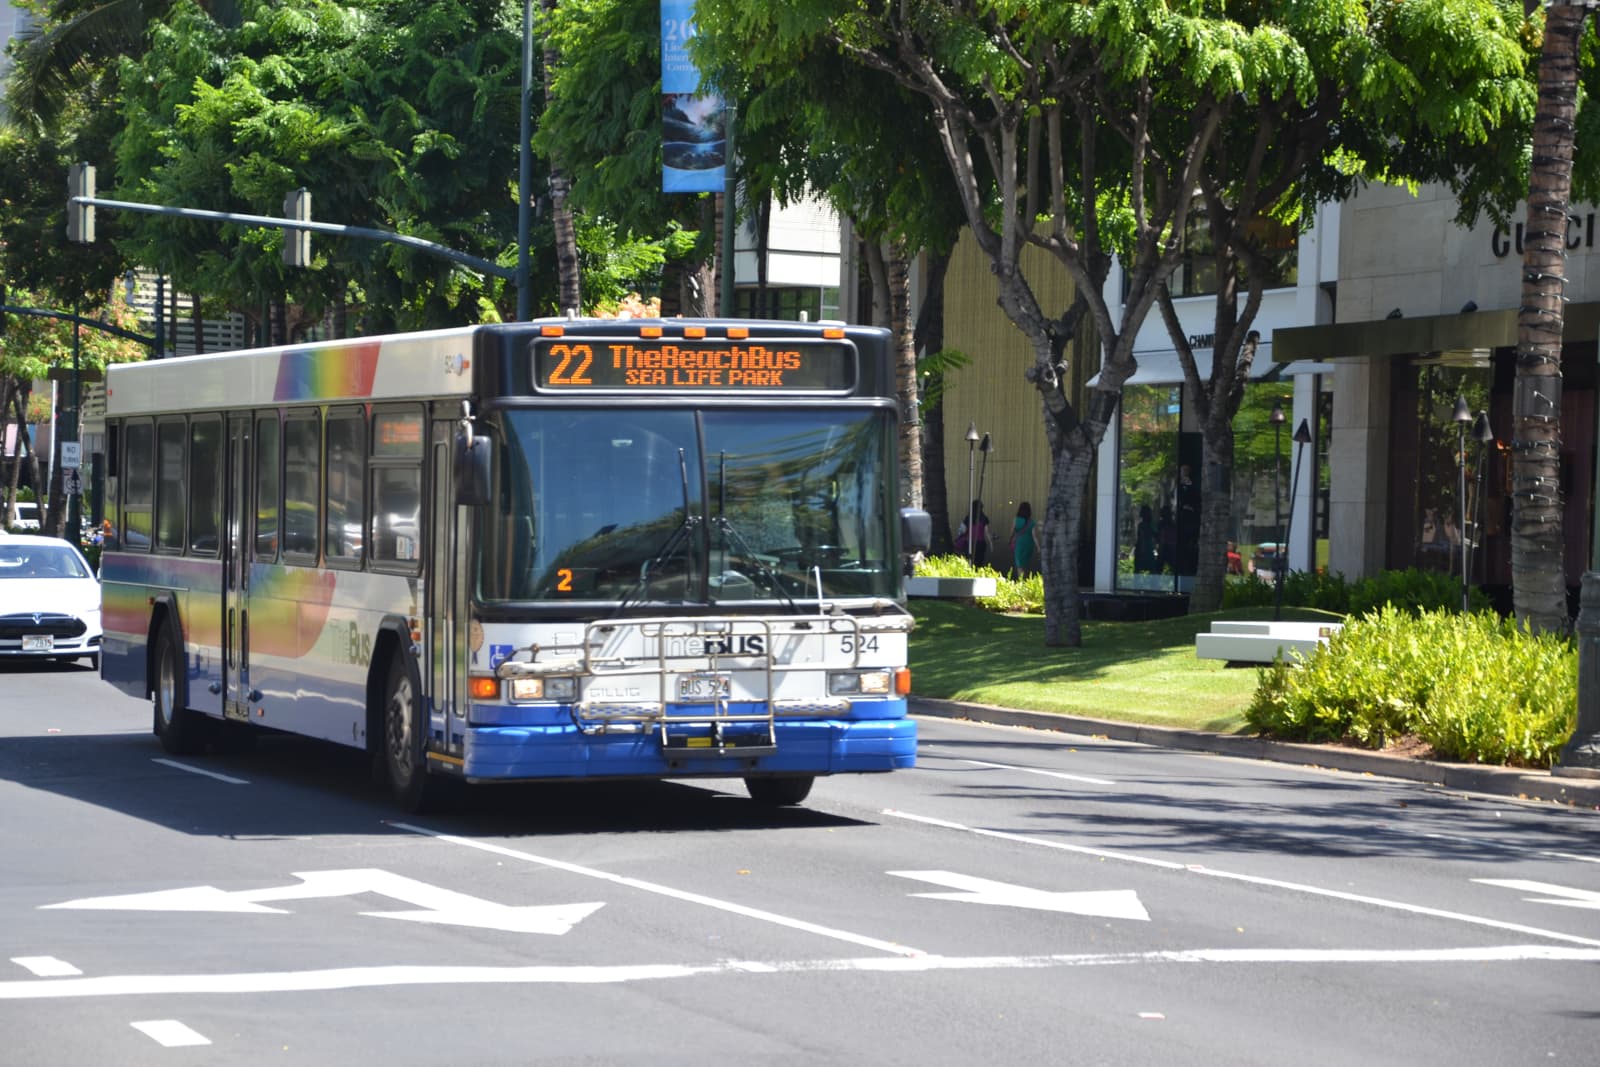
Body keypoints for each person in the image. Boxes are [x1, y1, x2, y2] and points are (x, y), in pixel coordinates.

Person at [954, 499, 991, 566]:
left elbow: (962, 530)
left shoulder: (968, 518)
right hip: (980, 543)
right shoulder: (984, 518)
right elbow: (986, 532)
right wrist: (990, 543)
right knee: (979, 562)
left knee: (969, 561)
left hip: (969, 543)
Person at [1009, 501, 1037, 576]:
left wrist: (1010, 539)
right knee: (1024, 565)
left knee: (1019, 565)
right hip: (1029, 545)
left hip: (1019, 544)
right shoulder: (1032, 522)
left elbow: (1012, 531)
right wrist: (1038, 547)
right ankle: (1025, 581)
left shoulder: (1016, 520)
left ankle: (1021, 583)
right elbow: (1034, 536)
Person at [1133, 505, 1158, 573]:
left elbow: (1141, 538)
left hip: (1142, 550)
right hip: (1149, 549)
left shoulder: (1142, 525)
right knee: (1152, 570)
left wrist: (1141, 550)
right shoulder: (1152, 525)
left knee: (1138, 570)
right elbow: (1156, 536)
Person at [1156, 505, 1178, 574]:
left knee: (1159, 568)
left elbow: (1161, 537)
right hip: (1169, 548)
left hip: (1166, 548)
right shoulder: (1171, 524)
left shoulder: (1165, 524)